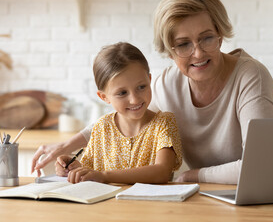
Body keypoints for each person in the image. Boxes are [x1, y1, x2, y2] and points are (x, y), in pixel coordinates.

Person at [32, 0, 273, 184]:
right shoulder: (168, 83)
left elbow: (260, 166)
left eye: (207, 38)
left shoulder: (251, 78)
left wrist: (193, 175)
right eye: (183, 44)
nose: (198, 53)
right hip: (212, 198)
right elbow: (120, 116)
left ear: (220, 35)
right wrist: (66, 147)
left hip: (264, 196)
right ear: (169, 50)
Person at [55, 42, 182, 184]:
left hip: (151, 206)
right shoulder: (101, 128)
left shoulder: (164, 122)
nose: (134, 99)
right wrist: (73, 168)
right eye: (122, 93)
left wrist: (105, 176)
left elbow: (162, 172)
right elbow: (91, 172)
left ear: (150, 80)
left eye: (141, 87)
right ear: (104, 97)